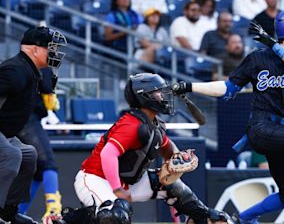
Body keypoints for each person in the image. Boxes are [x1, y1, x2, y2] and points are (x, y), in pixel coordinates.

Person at [173, 9, 284, 223]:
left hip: (281, 130)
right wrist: (189, 85)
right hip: (261, 128)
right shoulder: (258, 58)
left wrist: (271, 43)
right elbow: (227, 88)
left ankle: (244, 219)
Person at [73, 73, 231, 223]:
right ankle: (70, 220)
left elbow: (168, 149)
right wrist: (117, 190)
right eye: (157, 92)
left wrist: (178, 157)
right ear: (144, 97)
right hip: (96, 178)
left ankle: (201, 217)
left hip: (126, 181)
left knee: (173, 186)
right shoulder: (131, 124)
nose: (163, 96)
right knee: (115, 216)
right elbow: (108, 154)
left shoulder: (155, 124)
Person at [0, 26, 66, 224]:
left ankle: (8, 213)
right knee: (12, 155)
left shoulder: (31, 70)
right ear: (35, 49)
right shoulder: (15, 70)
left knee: (29, 154)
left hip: (6, 133)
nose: (54, 53)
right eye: (50, 48)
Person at [17, 68, 63, 224]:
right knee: (48, 163)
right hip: (26, 120)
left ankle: (17, 213)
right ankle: (53, 210)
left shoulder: (21, 67)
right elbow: (51, 103)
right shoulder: (39, 68)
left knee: (36, 170)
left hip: (18, 120)